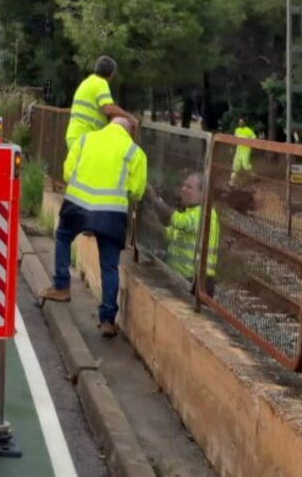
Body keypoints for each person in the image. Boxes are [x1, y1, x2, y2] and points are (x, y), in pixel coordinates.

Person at [41, 116, 148, 336]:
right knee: (109, 265)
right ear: (128, 132)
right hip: (111, 214)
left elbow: (68, 173)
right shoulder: (135, 152)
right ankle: (108, 320)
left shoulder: (85, 139)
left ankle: (61, 286)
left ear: (109, 125)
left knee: (63, 237)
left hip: (77, 205)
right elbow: (137, 191)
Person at [145, 171, 220, 292]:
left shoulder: (204, 213)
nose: (183, 189)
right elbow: (170, 235)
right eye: (183, 185)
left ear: (202, 194)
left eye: (189, 187)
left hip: (196, 282)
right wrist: (153, 223)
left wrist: (156, 200)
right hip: (183, 279)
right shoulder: (190, 212)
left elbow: (178, 221)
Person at [65, 56, 134, 148]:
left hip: (75, 134)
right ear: (112, 74)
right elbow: (108, 108)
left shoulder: (87, 82)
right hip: (85, 136)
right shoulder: (101, 83)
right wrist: (129, 117)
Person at [230, 115, 256, 184]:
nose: (240, 123)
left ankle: (254, 177)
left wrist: (250, 143)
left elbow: (254, 138)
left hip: (246, 150)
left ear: (245, 123)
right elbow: (234, 140)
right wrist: (232, 147)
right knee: (236, 166)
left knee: (246, 165)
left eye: (242, 122)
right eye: (239, 122)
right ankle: (232, 182)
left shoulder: (248, 130)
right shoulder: (237, 130)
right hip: (239, 150)